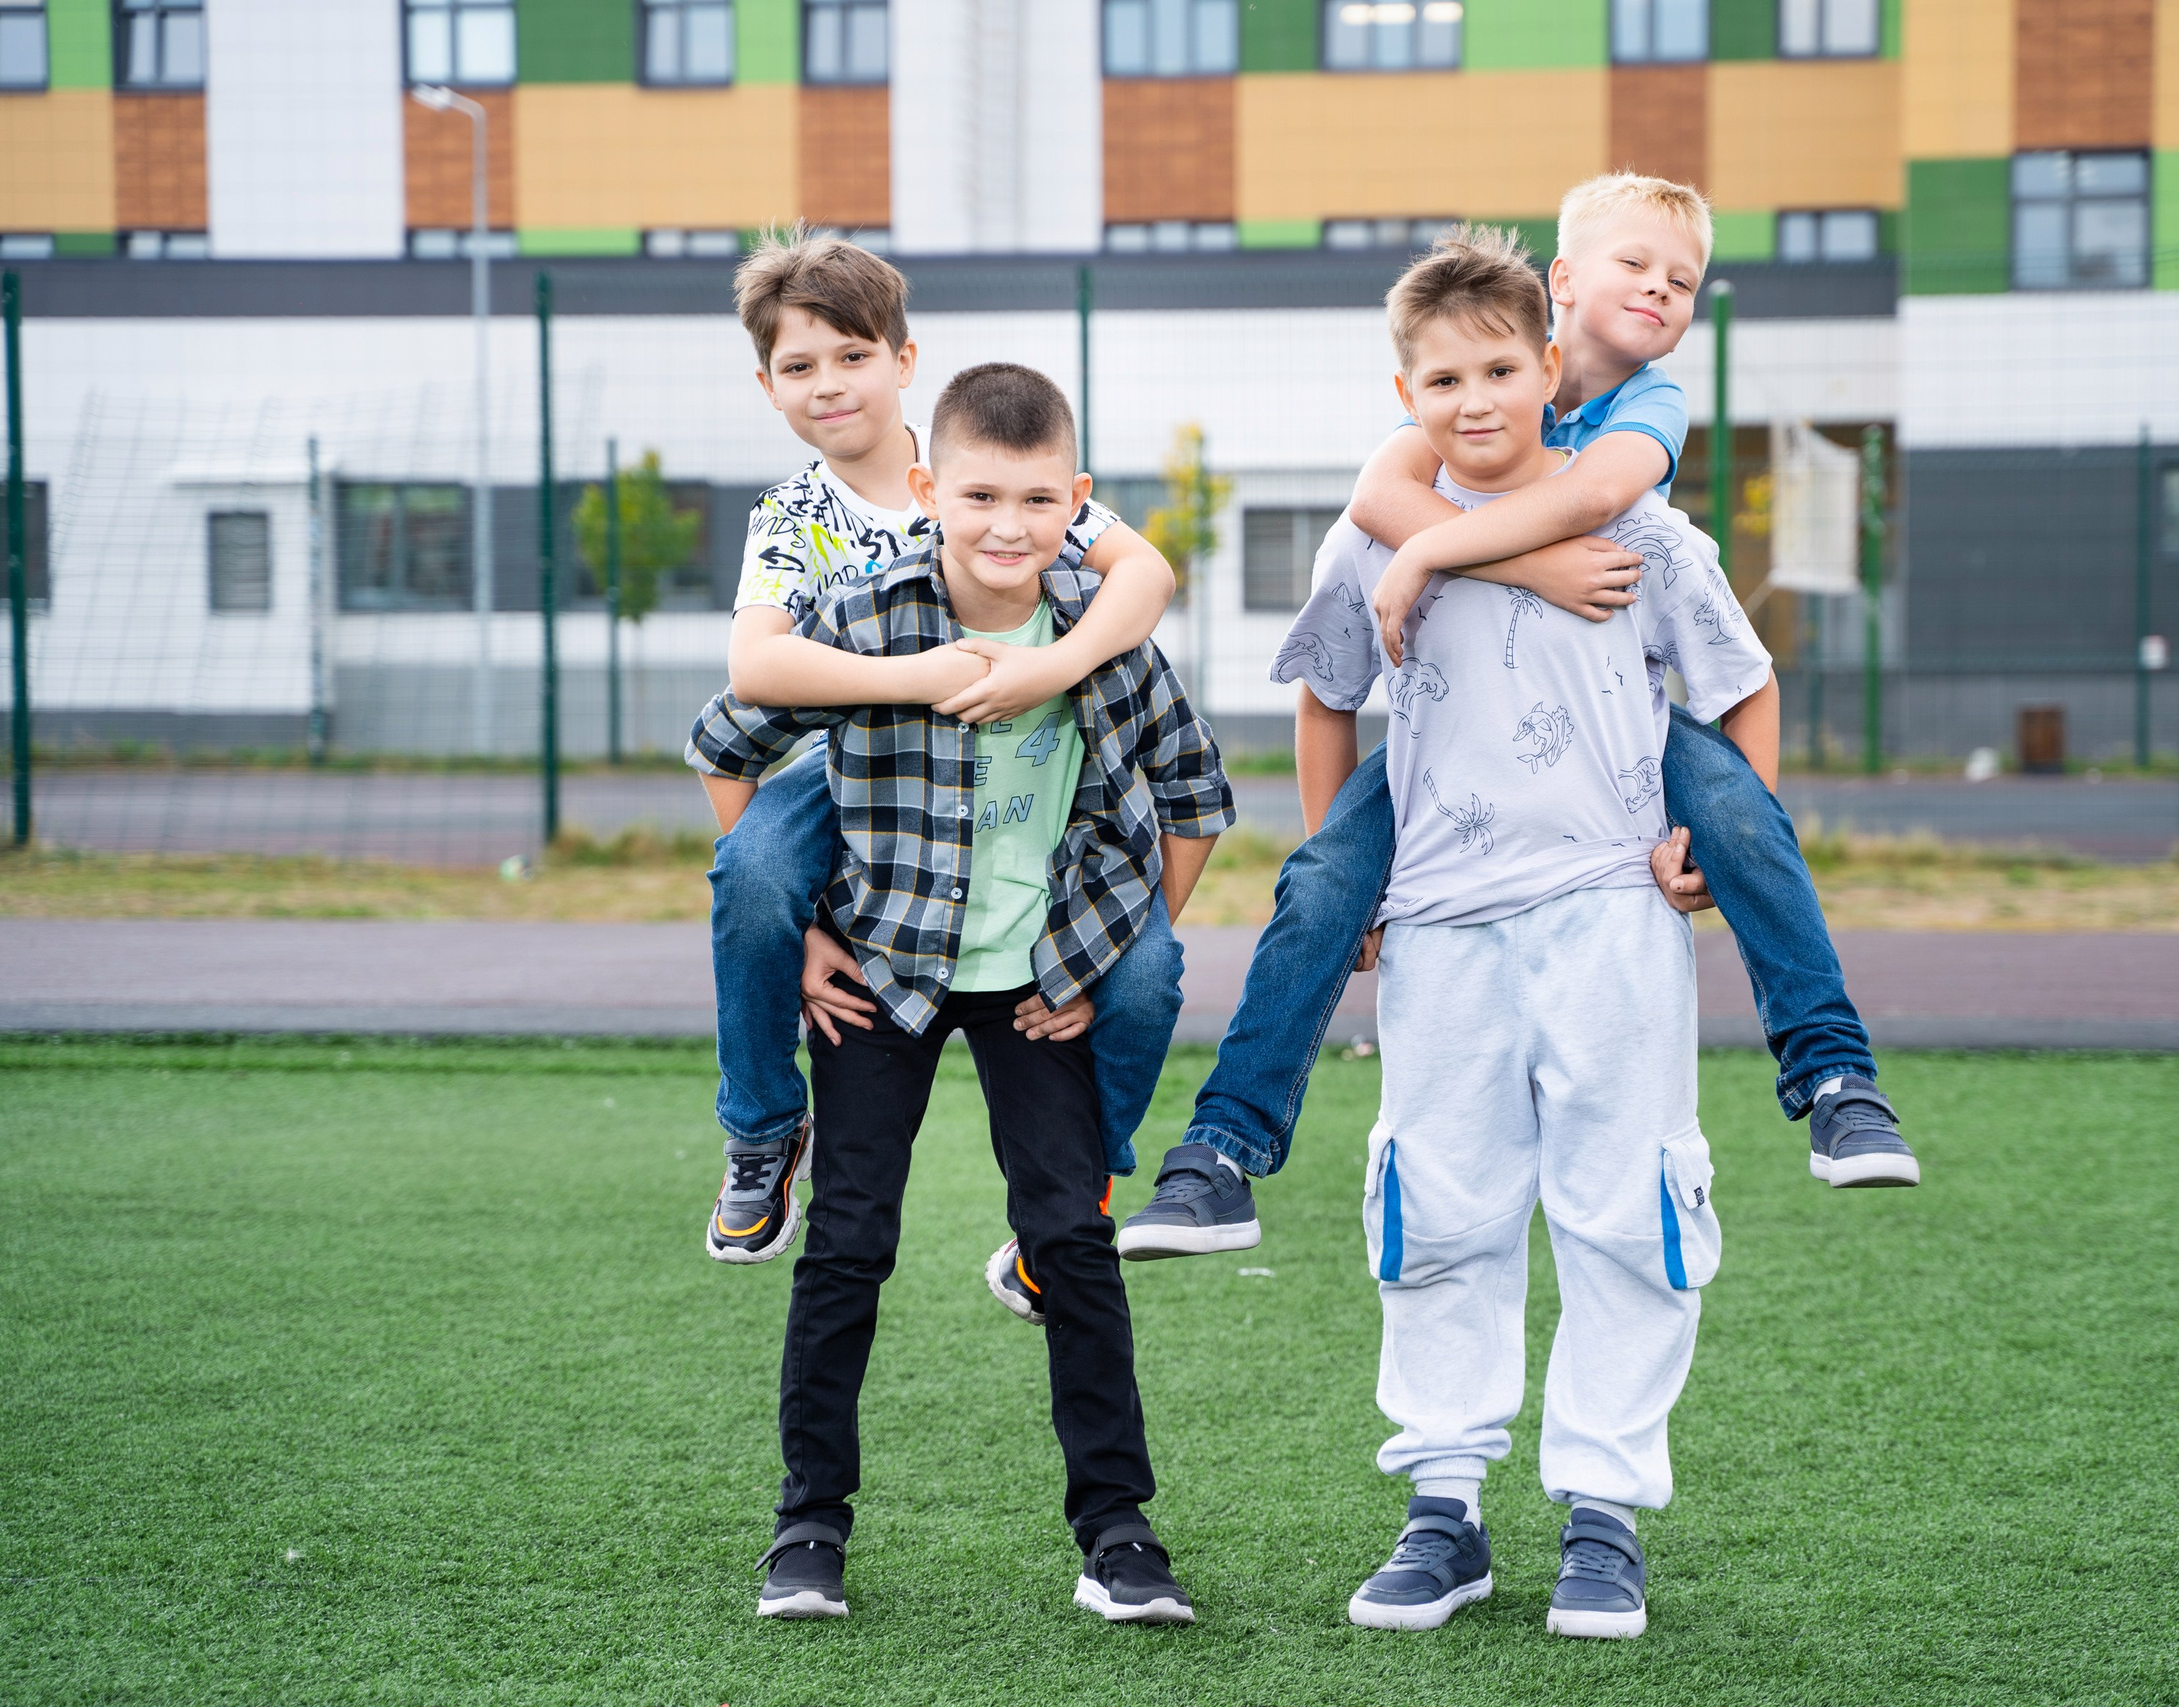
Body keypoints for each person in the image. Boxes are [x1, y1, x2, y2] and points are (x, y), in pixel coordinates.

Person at [1112, 172, 1915, 1270]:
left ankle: (1834, 1077)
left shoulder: (1649, 410)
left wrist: (1717, 850)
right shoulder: (1461, 379)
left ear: (1540, 366)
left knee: (1739, 811)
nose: (1658, 289)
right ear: (1564, 282)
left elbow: (1593, 505)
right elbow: (1376, 503)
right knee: (1319, 884)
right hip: (1448, 750)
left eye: (1681, 279)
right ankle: (1221, 1152)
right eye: (1634, 265)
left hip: (1613, 732)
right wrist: (1512, 565)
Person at [1283, 227, 1765, 1638]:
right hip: (1439, 922)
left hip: (1612, 911)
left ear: (1552, 369)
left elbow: (1740, 683)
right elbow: (1324, 694)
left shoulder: (1644, 528)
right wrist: (1345, 878)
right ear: (1406, 394)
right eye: (1443, 379)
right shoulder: (1371, 533)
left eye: (1500, 369)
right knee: (1437, 1206)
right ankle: (1444, 1511)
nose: (1476, 397)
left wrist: (1721, 849)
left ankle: (1604, 1515)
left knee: (1626, 1206)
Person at [737, 362, 1232, 1625]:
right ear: (926, 490)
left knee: (1071, 1239)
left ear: (1077, 501)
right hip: (883, 973)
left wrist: (1114, 948)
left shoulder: (1100, 637)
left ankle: (1118, 1534)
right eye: (978, 497)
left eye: (1035, 500)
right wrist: (795, 931)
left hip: (1034, 985)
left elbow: (1195, 794)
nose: (1007, 526)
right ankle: (807, 1528)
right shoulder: (861, 617)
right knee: (850, 1239)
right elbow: (726, 742)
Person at [684, 229, 1192, 1271]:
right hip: (861, 769)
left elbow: (1145, 574)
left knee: (1145, 973)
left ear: (903, 360)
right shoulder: (791, 517)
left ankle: (1085, 1179)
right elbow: (755, 672)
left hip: (1022, 764)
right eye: (798, 366)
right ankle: (763, 1128)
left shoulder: (989, 468)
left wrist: (1048, 669)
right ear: (768, 388)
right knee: (752, 872)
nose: (830, 384)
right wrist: (916, 678)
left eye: (852, 355)